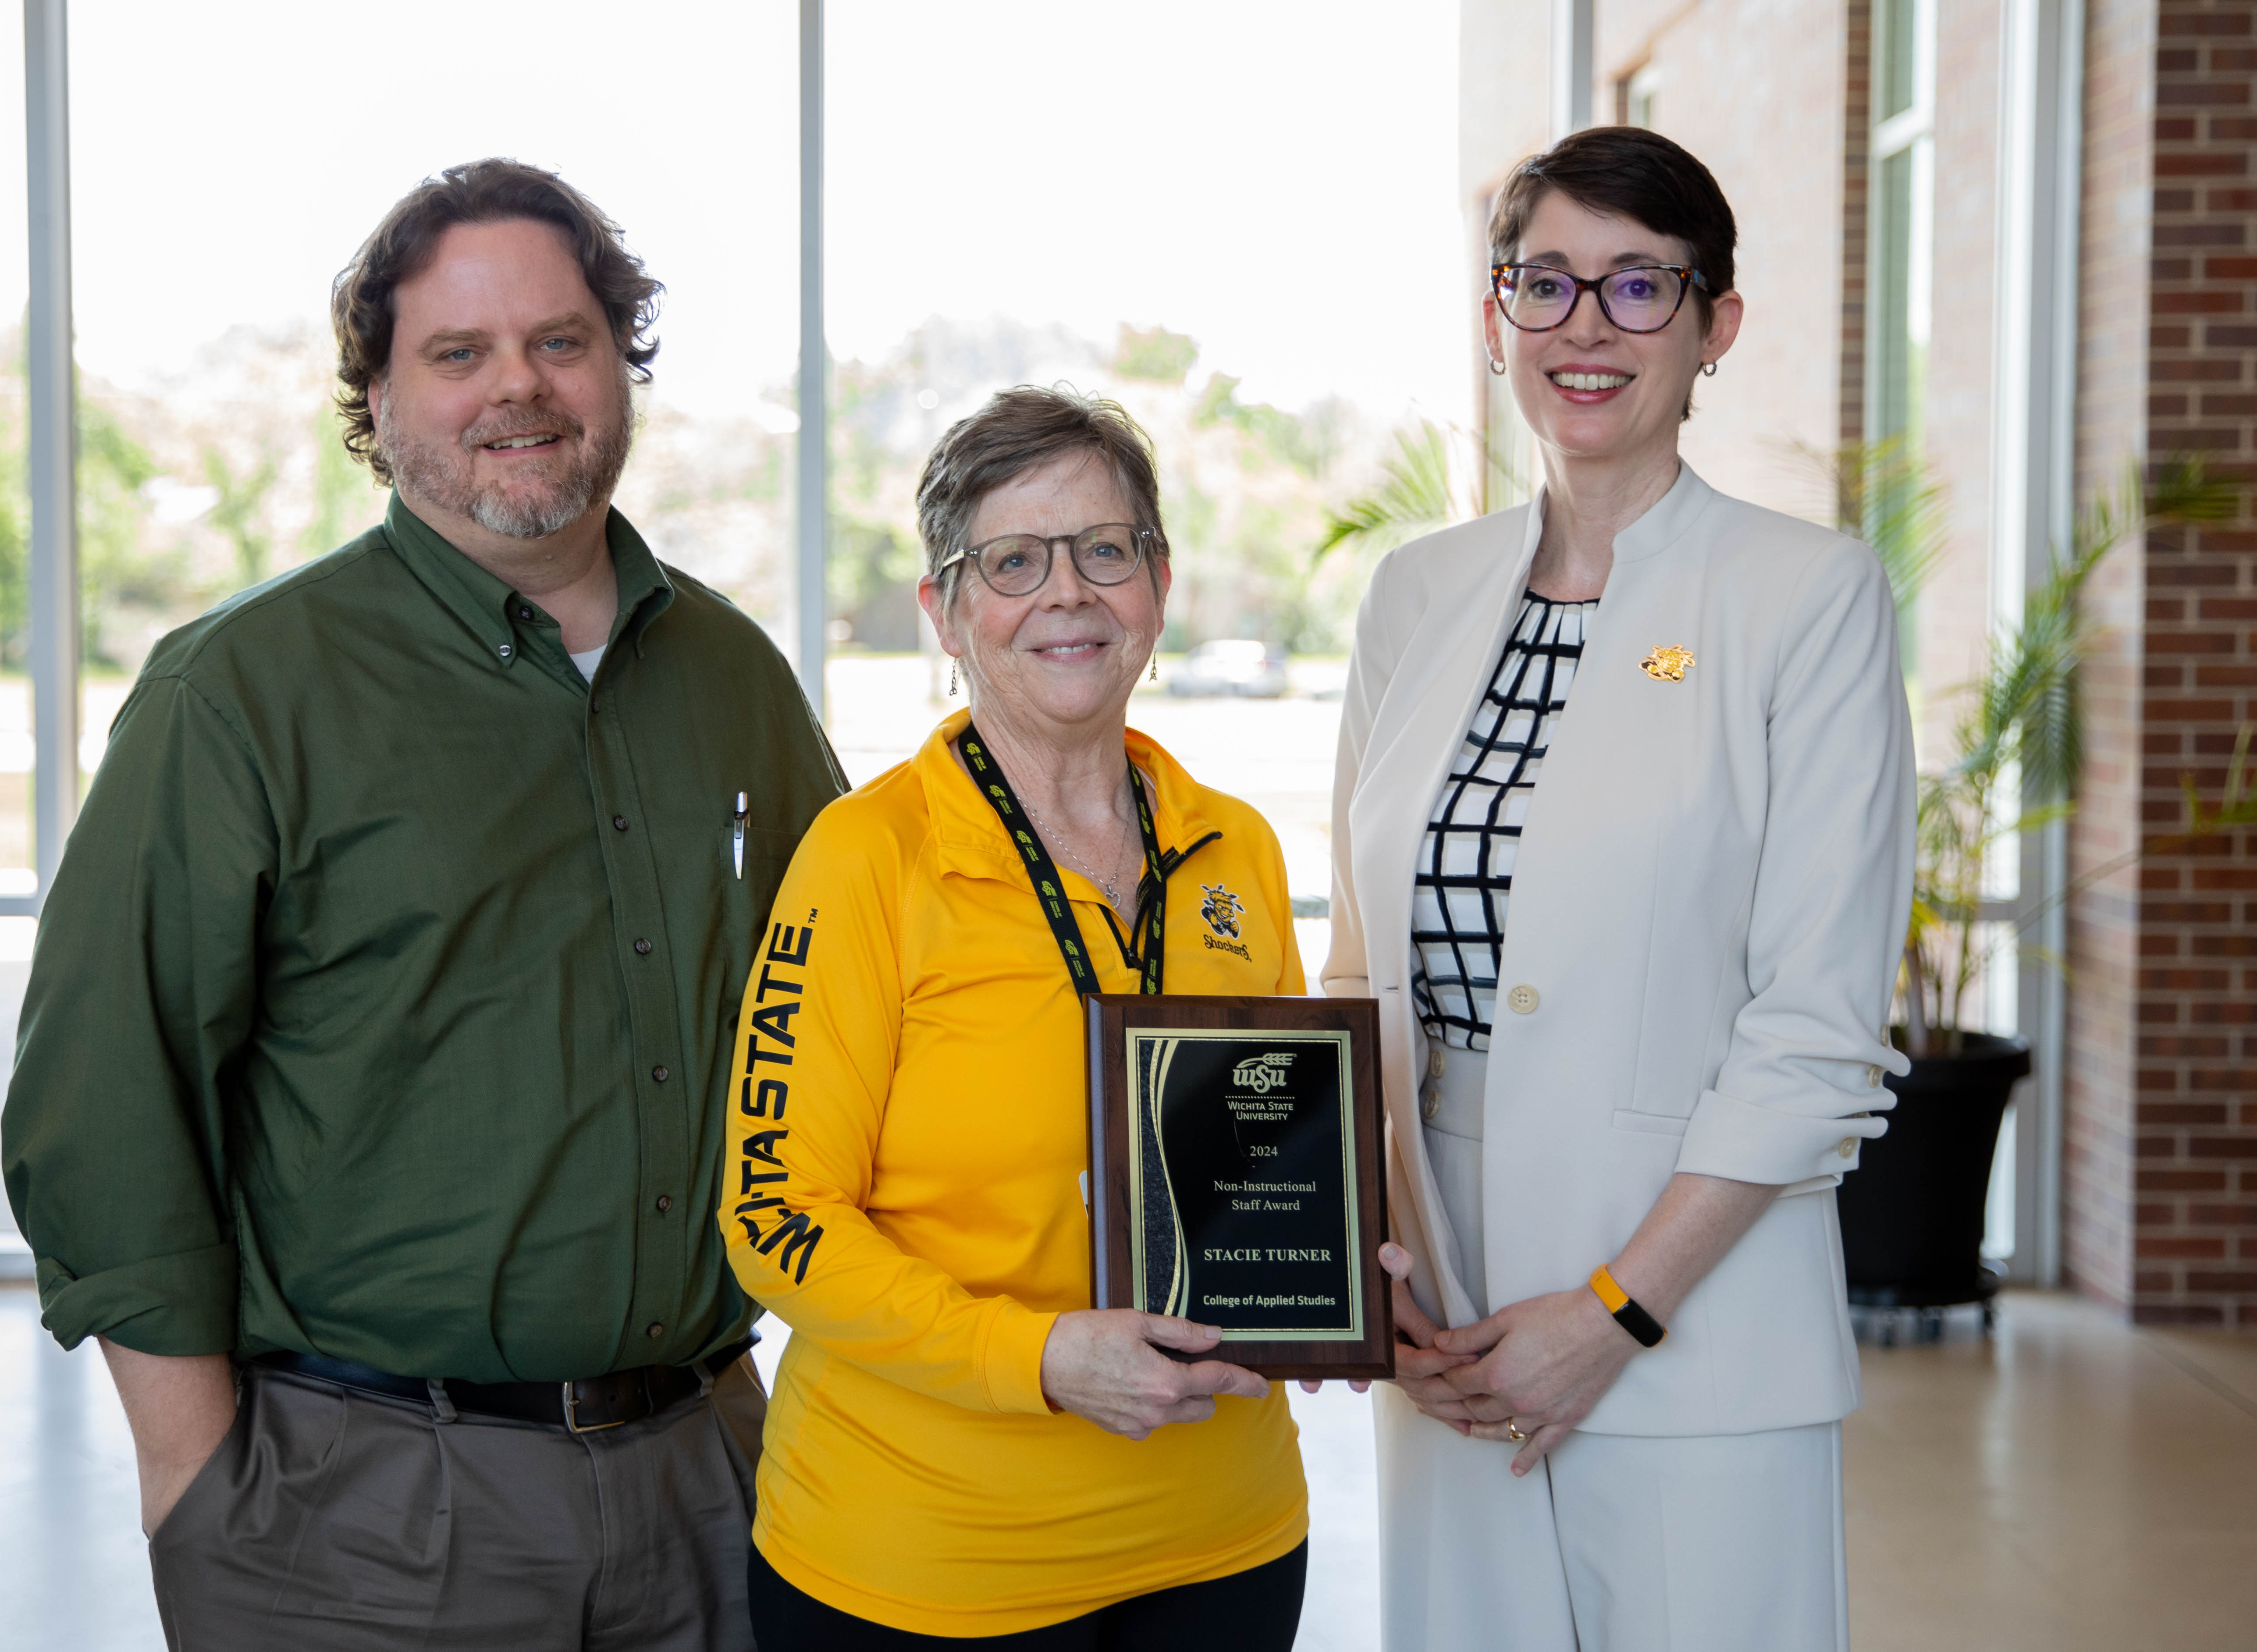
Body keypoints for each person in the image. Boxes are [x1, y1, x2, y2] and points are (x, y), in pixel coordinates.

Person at [0, 158, 842, 1650]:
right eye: (459, 352)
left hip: (714, 1482)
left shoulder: (735, 680)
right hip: (366, 1512)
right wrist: (195, 1476)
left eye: (561, 340)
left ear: (621, 369)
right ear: (379, 403)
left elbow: (859, 1017)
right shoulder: (240, 692)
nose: (518, 386)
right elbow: (105, 1093)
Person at [1326, 126, 1912, 1651]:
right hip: (1448, 1325)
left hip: (1697, 1328)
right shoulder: (1414, 594)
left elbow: (1817, 1028)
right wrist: (1380, 1283)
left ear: (1716, 325)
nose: (1586, 325)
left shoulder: (1807, 596)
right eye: (1547, 281)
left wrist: (1618, 1312)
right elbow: (1356, 973)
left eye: (1639, 284)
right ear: (1497, 318)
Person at [720, 387, 1312, 1649]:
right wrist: (1035, 1358)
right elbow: (777, 1219)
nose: (1069, 593)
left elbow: (1276, 1156)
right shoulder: (868, 859)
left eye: (1105, 549)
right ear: (944, 611)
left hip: (1227, 1538)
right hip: (929, 1565)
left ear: (1158, 582)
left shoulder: (1237, 850)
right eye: (1014, 562)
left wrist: (1337, 1271)